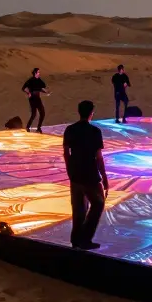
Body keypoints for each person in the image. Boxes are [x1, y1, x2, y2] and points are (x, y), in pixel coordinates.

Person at [63, 100, 109, 249]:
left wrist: (70, 169)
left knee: (78, 207)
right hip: (90, 174)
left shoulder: (70, 129)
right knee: (98, 203)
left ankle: (76, 239)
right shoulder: (95, 132)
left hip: (75, 174)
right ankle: (85, 238)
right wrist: (104, 178)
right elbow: (99, 157)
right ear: (91, 113)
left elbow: (66, 153)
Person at [22, 68, 49, 133]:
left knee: (42, 113)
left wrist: (46, 92)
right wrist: (28, 93)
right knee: (34, 114)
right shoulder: (30, 80)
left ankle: (38, 128)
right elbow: (23, 88)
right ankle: (28, 127)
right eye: (38, 72)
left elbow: (40, 88)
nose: (39, 73)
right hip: (32, 99)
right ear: (35, 73)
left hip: (37, 98)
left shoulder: (39, 80)